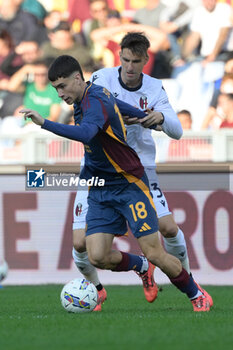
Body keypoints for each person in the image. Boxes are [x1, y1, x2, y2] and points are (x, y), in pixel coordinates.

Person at [20, 54, 212, 313]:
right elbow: (118, 104)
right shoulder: (91, 95)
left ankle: (195, 293)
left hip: (128, 184)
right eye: (56, 88)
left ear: (77, 78)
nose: (59, 94)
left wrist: (45, 123)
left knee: (156, 251)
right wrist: (142, 115)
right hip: (100, 187)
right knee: (97, 255)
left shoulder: (94, 100)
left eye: (62, 86)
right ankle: (142, 266)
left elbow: (87, 132)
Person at [72, 32, 213, 310]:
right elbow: (96, 113)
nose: (129, 66)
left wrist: (161, 117)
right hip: (98, 170)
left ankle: (189, 284)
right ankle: (102, 288)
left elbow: (177, 131)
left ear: (146, 60)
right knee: (81, 245)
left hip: (139, 169)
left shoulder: (155, 88)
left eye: (136, 61)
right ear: (119, 56)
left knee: (168, 227)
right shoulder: (102, 78)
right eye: (125, 59)